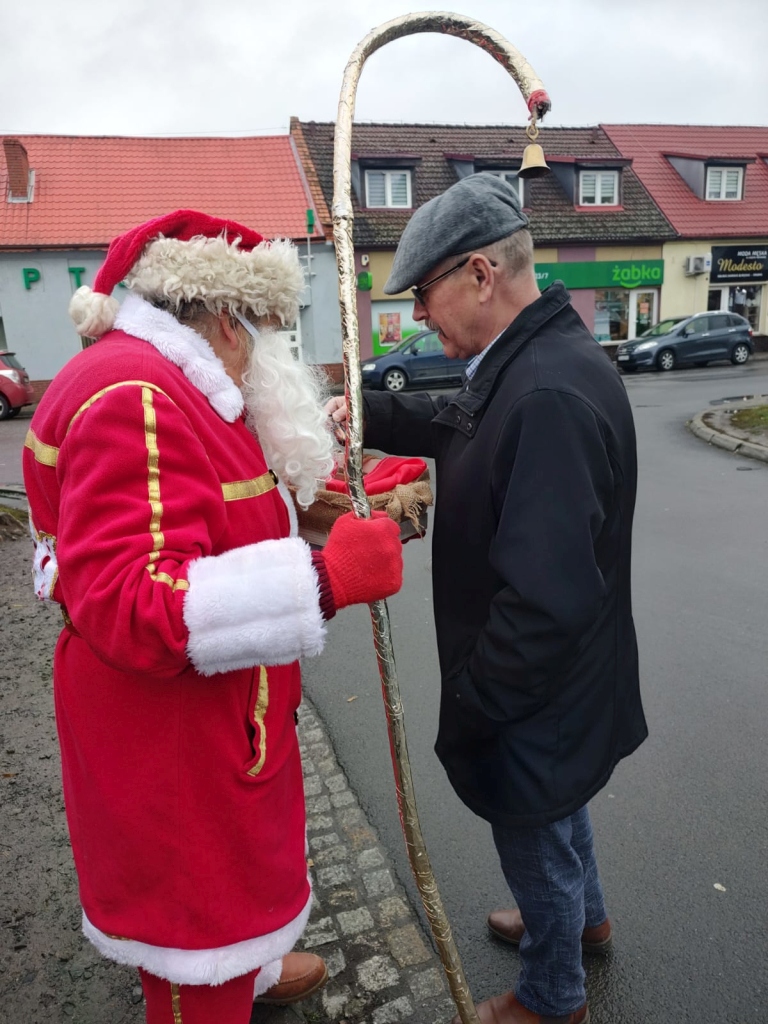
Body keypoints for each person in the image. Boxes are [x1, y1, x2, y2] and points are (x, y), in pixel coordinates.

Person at [23, 210, 403, 1024]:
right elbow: (130, 603)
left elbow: (221, 507)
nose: (273, 355)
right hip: (175, 742)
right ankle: (213, 983)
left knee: (230, 898)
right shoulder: (139, 397)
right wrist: (325, 578)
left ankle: (249, 967)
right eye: (269, 334)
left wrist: (339, 496)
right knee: (194, 926)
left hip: (215, 717)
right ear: (226, 322)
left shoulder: (169, 381)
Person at [327, 173, 647, 1024]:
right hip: (568, 685)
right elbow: (454, 423)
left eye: (424, 293)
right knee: (560, 805)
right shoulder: (534, 357)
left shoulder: (541, 392)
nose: (418, 316)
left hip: (533, 689)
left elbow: (544, 603)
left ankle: (553, 997)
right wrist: (363, 415)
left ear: (478, 274)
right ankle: (585, 920)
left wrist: (475, 702)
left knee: (533, 822)